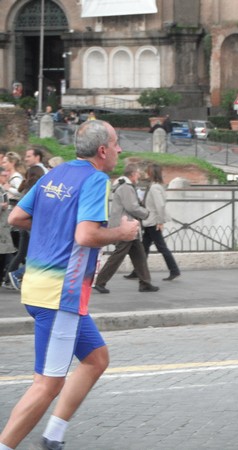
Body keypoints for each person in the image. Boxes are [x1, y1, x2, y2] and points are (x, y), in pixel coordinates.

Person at [0, 119, 139, 450]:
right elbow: (86, 235)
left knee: (96, 359)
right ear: (102, 150)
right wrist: (122, 233)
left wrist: (55, 229)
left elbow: (16, 218)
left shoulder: (53, 174)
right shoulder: (95, 179)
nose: (120, 149)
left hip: (37, 286)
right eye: (117, 142)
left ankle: (54, 434)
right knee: (47, 384)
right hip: (61, 293)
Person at [94, 164, 160, 294]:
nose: (139, 176)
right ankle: (99, 282)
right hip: (125, 227)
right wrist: (146, 213)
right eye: (138, 174)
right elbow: (132, 207)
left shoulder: (123, 186)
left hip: (128, 226)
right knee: (118, 255)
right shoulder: (126, 187)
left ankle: (145, 283)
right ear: (133, 174)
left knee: (139, 255)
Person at [5, 166, 45, 290]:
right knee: (40, 254)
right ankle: (16, 275)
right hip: (32, 225)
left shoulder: (27, 186)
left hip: (24, 225)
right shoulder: (37, 186)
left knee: (23, 253)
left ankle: (10, 278)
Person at [140, 164, 180, 281]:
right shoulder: (154, 186)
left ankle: (174, 270)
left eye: (147, 171)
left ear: (151, 173)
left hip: (153, 222)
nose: (145, 173)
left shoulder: (154, 188)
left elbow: (160, 205)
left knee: (161, 247)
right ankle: (137, 271)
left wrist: (160, 221)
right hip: (150, 221)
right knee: (144, 247)